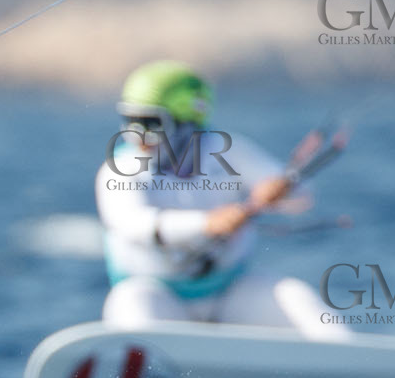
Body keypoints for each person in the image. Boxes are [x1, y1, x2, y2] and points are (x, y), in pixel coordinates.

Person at [94, 60, 348, 339]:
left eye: (150, 123)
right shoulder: (118, 171)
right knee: (129, 302)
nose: (138, 136)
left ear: (186, 123)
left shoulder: (228, 151)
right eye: (130, 122)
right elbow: (135, 225)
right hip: (158, 298)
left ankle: (350, 360)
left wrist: (280, 187)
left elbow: (304, 192)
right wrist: (208, 223)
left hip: (229, 295)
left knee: (294, 296)